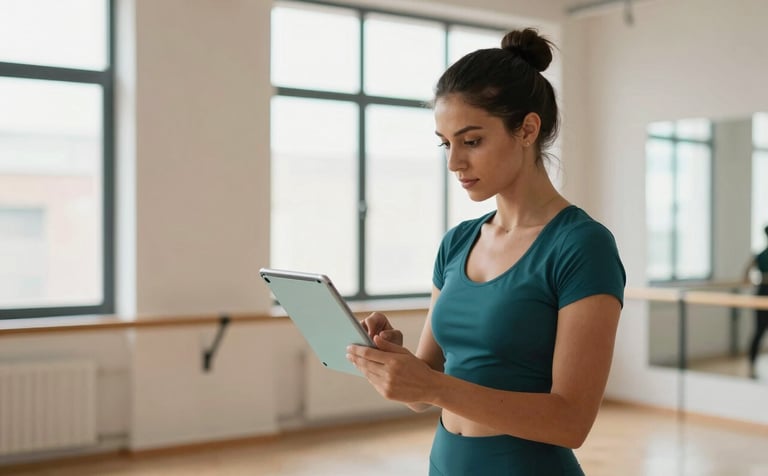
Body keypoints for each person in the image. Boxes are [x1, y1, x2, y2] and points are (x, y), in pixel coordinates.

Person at [345, 28, 626, 475]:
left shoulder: (582, 246)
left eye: (471, 141)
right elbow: (423, 395)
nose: (454, 162)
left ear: (527, 129)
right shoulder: (457, 242)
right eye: (445, 143)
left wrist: (435, 387)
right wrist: (398, 364)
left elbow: (572, 422)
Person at [743, 225, 768, 379]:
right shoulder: (760, 254)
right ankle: (751, 366)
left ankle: (751, 366)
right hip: (762, 296)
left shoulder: (759, 255)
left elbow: (745, 272)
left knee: (758, 331)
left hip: (761, 293)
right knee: (759, 332)